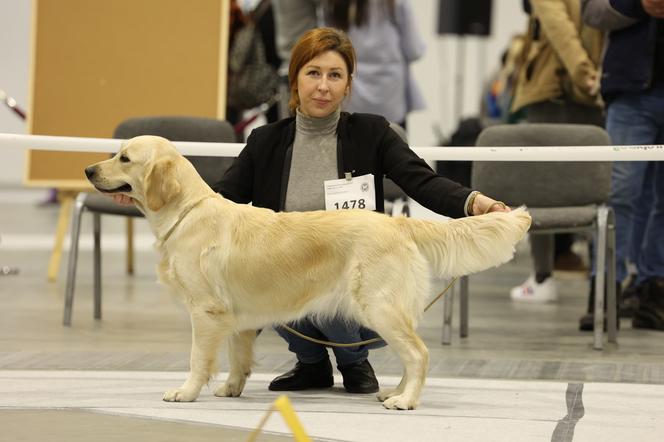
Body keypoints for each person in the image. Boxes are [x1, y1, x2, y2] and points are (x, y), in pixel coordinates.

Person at [114, 27, 509, 392]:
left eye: (335, 76)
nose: (323, 86)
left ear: (348, 84)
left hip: (352, 261)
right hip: (287, 274)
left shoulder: (371, 133)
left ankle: (354, 362)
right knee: (267, 277)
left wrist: (475, 203)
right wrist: (141, 191)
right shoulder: (267, 140)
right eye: (313, 73)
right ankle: (311, 362)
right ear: (295, 80)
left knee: (338, 300)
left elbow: (421, 180)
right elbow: (219, 199)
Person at [508, 0, 605, 303]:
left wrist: (585, 74)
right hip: (583, 89)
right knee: (587, 189)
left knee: (546, 188)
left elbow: (560, 28)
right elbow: (565, 28)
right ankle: (590, 277)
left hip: (569, 88)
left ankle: (545, 276)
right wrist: (592, 77)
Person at [581, 0, 664, 331]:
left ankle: (654, 291)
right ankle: (604, 290)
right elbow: (591, 11)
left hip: (635, 89)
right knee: (619, 192)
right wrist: (639, 4)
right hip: (631, 93)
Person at [321, 0, 425, 129]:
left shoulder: (332, 4)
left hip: (352, 98)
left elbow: (328, 47)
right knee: (394, 145)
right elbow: (414, 51)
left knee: (352, 146)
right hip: (390, 99)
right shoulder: (396, 3)